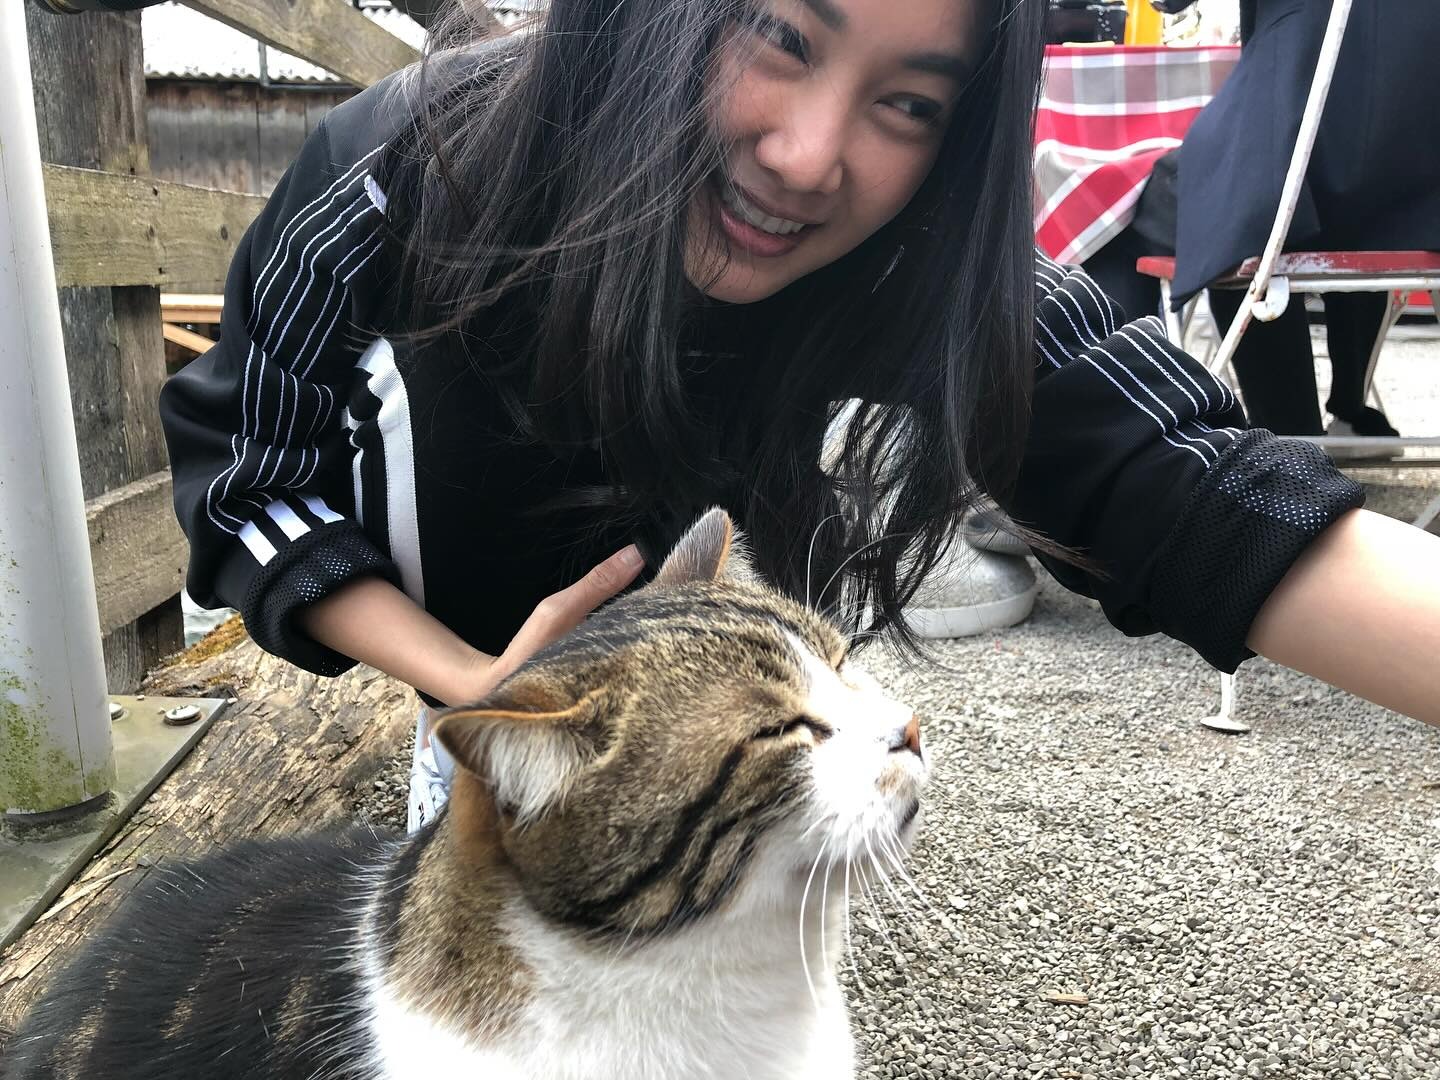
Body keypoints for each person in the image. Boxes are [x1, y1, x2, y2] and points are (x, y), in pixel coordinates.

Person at [159, 0, 1440, 830]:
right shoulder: (403, 169)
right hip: (471, 651)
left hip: (677, 624)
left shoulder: (900, 248)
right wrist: (473, 690)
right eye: (779, 36)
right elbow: (246, 480)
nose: (810, 158)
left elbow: (1187, 485)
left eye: (911, 104)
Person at [1087, 0, 1440, 437]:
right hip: (1415, 194)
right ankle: (1349, 410)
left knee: (1122, 215)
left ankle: (1279, 437)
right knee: (1314, 200)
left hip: (1286, 180)